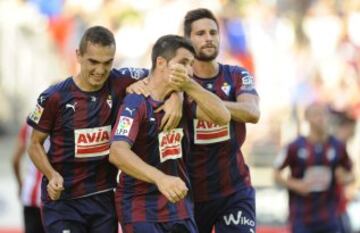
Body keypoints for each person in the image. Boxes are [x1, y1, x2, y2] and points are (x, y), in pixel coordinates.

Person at [27, 26, 181, 233]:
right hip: (64, 203)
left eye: (107, 62)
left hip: (104, 199)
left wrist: (176, 98)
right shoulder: (53, 97)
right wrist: (52, 175)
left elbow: (163, 78)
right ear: (78, 55)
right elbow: (34, 144)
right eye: (93, 62)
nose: (100, 70)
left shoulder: (121, 79)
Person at [109, 34, 230, 233]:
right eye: (183, 63)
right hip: (141, 209)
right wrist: (160, 179)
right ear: (161, 62)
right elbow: (117, 152)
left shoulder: (185, 101)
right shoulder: (136, 102)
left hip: (179, 209)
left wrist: (187, 87)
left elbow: (223, 117)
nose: (190, 70)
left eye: (191, 64)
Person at [182, 8, 260, 233]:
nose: (208, 38)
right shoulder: (177, 83)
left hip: (234, 190)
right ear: (187, 40)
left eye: (213, 32)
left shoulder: (236, 74)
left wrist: (205, 102)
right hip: (191, 193)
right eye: (200, 33)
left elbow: (252, 112)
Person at [273, 102, 354, 233]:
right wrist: (295, 184)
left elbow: (351, 174)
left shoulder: (338, 146)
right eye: (316, 114)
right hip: (302, 218)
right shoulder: (294, 147)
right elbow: (276, 174)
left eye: (324, 114)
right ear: (307, 118)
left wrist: (345, 177)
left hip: (329, 218)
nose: (321, 118)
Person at [12, 122, 46, 233]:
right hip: (54, 196)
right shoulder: (61, 120)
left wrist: (21, 185)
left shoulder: (29, 124)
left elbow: (15, 160)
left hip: (30, 193)